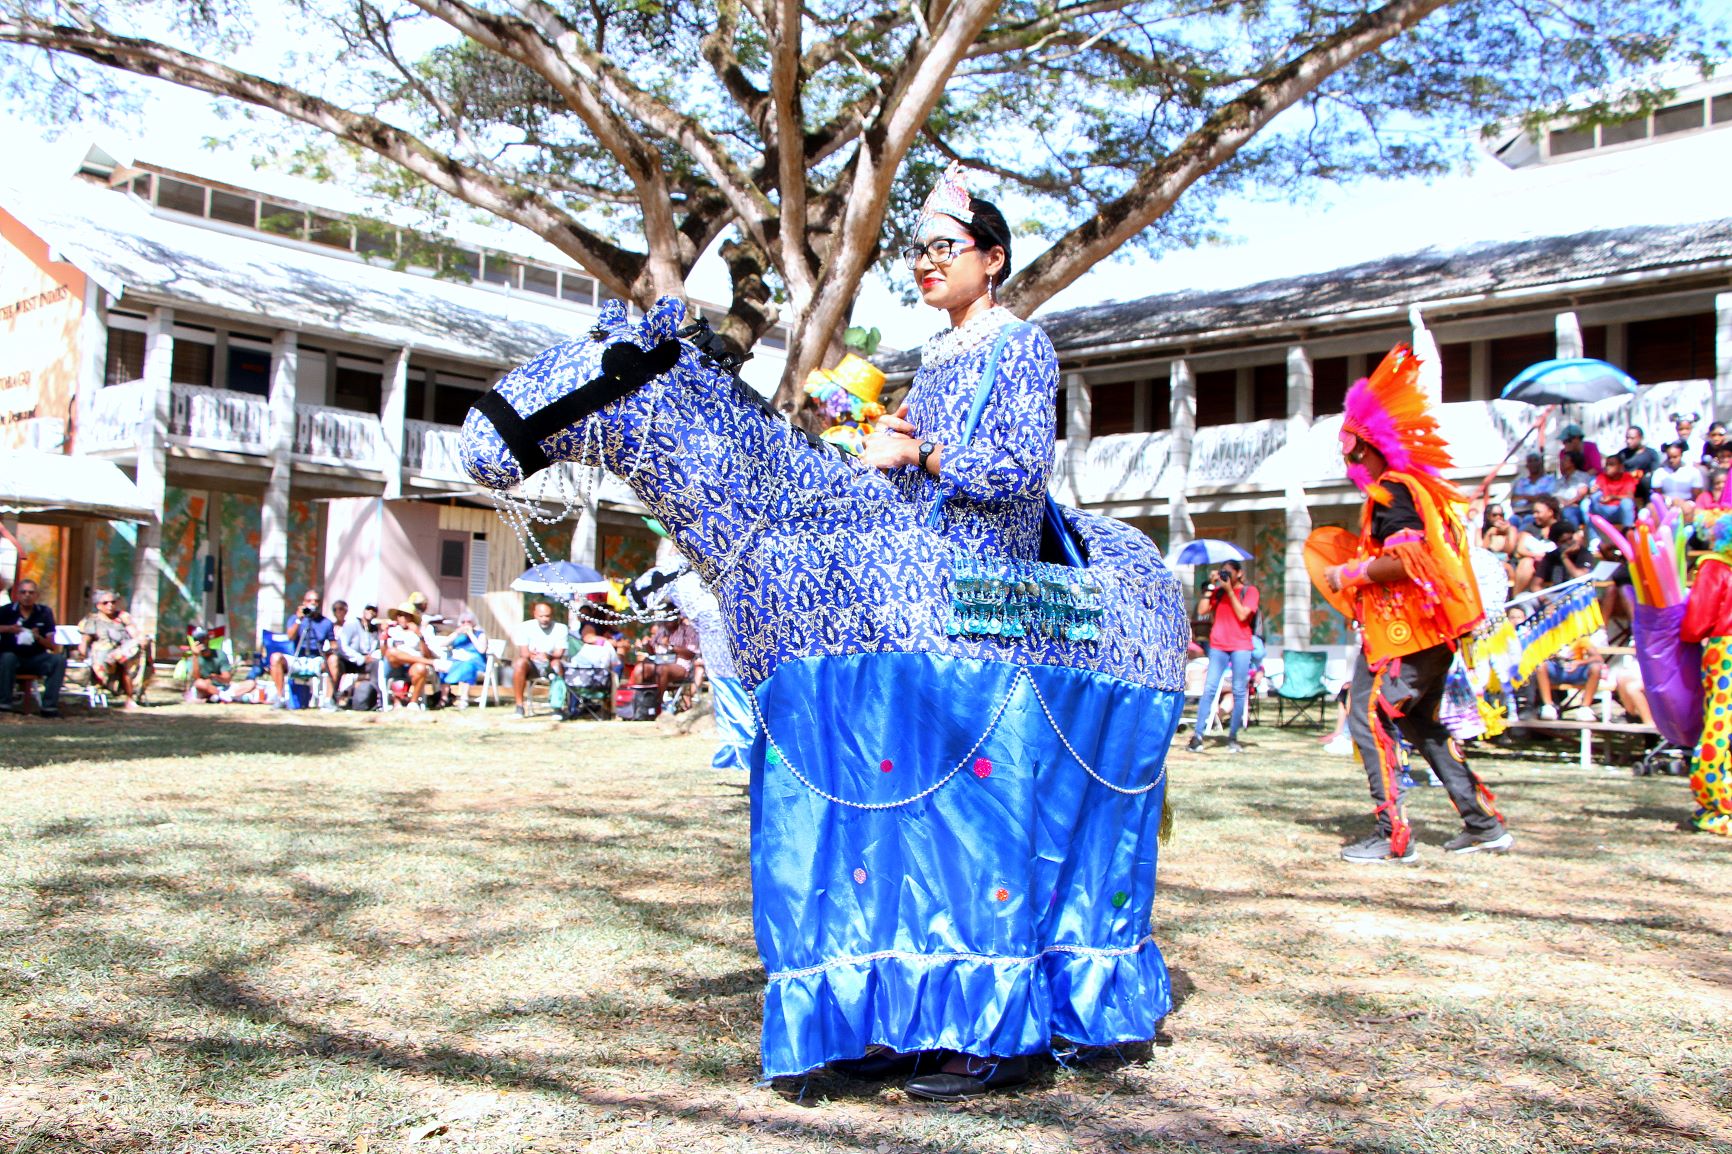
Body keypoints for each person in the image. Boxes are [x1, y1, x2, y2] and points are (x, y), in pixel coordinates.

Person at [1307, 345, 1512, 863]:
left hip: (1407, 634)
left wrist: (1346, 572)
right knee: (1420, 724)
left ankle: (1392, 834)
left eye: (1351, 447)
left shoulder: (1392, 492)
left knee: (1370, 717)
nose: (1348, 458)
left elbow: (1408, 561)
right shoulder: (1412, 489)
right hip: (1430, 631)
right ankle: (1481, 823)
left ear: (1367, 445)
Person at [1186, 559, 1258, 753]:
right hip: (1218, 645)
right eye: (1222, 572)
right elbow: (1201, 611)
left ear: (1239, 573)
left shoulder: (1249, 592)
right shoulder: (1217, 592)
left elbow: (1243, 615)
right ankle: (1198, 736)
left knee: (1238, 690)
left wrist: (1229, 591)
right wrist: (1210, 587)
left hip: (1241, 645)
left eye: (1228, 572)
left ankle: (1233, 737)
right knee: (1209, 689)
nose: (1225, 576)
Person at [0, 578, 65, 718]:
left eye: (31, 592)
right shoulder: (6, 611)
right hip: (12, 658)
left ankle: (49, 706)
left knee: (58, 660)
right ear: (17, 595)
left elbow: (52, 645)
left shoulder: (44, 612)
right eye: (23, 592)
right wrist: (9, 629)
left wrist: (38, 637)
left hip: (36, 659)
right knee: (7, 657)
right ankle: (4, 704)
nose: (27, 596)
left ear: (37, 596)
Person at [77, 589, 147, 708]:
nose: (110, 605)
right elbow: (85, 639)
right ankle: (113, 664)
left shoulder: (122, 617)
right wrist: (81, 652)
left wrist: (141, 640)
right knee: (120, 659)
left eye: (113, 602)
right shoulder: (93, 619)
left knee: (130, 656)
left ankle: (130, 698)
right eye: (106, 603)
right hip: (102, 653)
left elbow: (135, 634)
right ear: (98, 605)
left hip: (124, 652)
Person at [270, 588, 338, 710]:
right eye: (309, 600)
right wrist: (299, 619)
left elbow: (333, 644)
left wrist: (330, 651)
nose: (313, 603)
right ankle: (280, 698)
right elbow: (290, 637)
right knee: (275, 657)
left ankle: (328, 700)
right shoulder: (296, 618)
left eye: (316, 601)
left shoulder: (326, 622)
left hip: (317, 659)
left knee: (333, 659)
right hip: (297, 658)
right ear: (304, 603)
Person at [629, 614, 700, 708]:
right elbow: (653, 654)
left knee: (662, 669)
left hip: (681, 666)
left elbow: (691, 654)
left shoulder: (688, 631)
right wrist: (647, 645)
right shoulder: (661, 630)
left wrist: (671, 646)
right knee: (640, 668)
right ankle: (638, 703)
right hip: (659, 662)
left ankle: (657, 704)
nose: (667, 622)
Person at [512, 601, 568, 716]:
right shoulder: (524, 627)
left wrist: (547, 655)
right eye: (541, 616)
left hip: (551, 662)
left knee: (557, 665)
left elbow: (559, 652)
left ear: (552, 615)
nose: (544, 619)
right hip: (531, 664)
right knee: (519, 663)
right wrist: (532, 655)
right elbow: (524, 653)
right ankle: (519, 706)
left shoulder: (561, 628)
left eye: (547, 616)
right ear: (535, 614)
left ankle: (557, 706)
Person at [1533, 632, 1605, 721]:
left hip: (1576, 671)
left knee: (1596, 668)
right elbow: (1537, 654)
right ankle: (1548, 706)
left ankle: (1585, 708)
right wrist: (1551, 656)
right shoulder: (1550, 636)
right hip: (1556, 670)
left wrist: (1579, 662)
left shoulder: (1580, 637)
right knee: (1540, 666)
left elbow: (1598, 658)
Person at [383, 602, 437, 709]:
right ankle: (431, 664)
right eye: (400, 615)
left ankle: (413, 703)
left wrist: (419, 635)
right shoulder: (392, 630)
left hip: (413, 666)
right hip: (395, 665)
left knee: (421, 668)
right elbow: (385, 653)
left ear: (411, 618)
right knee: (392, 652)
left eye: (406, 615)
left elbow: (427, 654)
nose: (403, 618)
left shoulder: (419, 631)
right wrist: (383, 636)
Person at [331, 599, 380, 708]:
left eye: (374, 611)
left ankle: (373, 700)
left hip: (364, 661)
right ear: (363, 610)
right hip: (347, 659)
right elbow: (343, 646)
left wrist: (371, 657)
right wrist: (360, 658)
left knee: (376, 664)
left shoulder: (374, 629)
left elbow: (375, 648)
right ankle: (332, 699)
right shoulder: (352, 624)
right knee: (336, 664)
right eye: (368, 609)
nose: (371, 612)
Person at [183, 626, 250, 703]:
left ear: (208, 639)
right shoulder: (191, 659)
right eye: (198, 639)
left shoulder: (220, 654)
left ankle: (218, 697)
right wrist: (195, 656)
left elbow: (227, 678)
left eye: (203, 638)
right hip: (205, 688)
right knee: (199, 683)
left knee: (251, 683)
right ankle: (225, 696)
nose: (201, 641)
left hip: (222, 686)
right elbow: (196, 678)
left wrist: (215, 677)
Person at [438, 610, 488, 708]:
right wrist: (456, 633)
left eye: (468, 622)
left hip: (475, 663)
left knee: (467, 666)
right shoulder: (458, 634)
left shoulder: (480, 635)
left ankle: (464, 698)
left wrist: (471, 634)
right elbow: (442, 644)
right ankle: (443, 698)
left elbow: (481, 650)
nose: (466, 624)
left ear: (473, 623)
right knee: (443, 667)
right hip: (456, 661)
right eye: (463, 622)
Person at [1508, 451, 1554, 531]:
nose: (1533, 463)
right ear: (1527, 465)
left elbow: (1546, 498)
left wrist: (1524, 497)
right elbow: (1515, 501)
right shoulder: (1521, 482)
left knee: (1528, 519)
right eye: (1530, 461)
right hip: (1520, 512)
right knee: (1512, 521)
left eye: (1535, 460)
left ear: (1541, 463)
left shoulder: (1550, 479)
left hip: (1539, 514)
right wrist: (1534, 498)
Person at [1588, 454, 1638, 529]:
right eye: (1607, 465)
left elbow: (1630, 496)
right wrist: (1592, 491)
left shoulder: (1627, 477)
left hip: (1619, 511)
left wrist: (1612, 497)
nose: (1607, 467)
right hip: (1604, 510)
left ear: (1621, 467)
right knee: (1589, 501)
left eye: (1611, 465)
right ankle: (1595, 539)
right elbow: (1596, 493)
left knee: (1627, 502)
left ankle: (1628, 530)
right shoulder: (1602, 477)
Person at [1652, 440, 1705, 508]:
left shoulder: (1693, 472)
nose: (1671, 460)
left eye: (1675, 457)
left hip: (1689, 504)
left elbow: (1697, 494)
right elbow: (1657, 494)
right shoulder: (1659, 473)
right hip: (1665, 504)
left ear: (1681, 455)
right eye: (1669, 457)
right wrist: (1669, 500)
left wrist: (1682, 503)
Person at [1616, 425, 1660, 502]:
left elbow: (1655, 472)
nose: (1628, 441)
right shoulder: (1622, 454)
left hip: (1644, 486)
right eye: (1627, 438)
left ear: (1640, 438)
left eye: (1632, 438)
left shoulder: (1651, 453)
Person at [1552, 447, 1595, 525]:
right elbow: (1555, 495)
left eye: (1565, 460)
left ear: (1572, 463)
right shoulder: (1560, 480)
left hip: (1576, 508)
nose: (1562, 462)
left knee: (1568, 512)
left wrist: (1567, 503)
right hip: (1560, 508)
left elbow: (1581, 494)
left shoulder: (1582, 476)